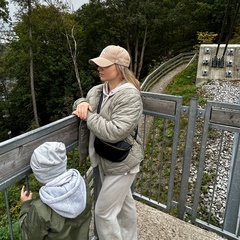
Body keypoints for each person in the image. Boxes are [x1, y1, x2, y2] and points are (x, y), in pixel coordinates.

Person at [72, 45, 144, 240]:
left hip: (123, 161)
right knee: (124, 206)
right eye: (98, 65)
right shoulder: (98, 90)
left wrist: (87, 116)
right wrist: (81, 103)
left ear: (119, 67)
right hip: (106, 158)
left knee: (103, 213)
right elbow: (81, 101)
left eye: (104, 65)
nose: (99, 68)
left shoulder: (129, 94)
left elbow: (115, 131)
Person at [19, 141, 92, 240]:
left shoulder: (41, 208)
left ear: (40, 175)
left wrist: (25, 206)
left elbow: (29, 236)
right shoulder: (82, 185)